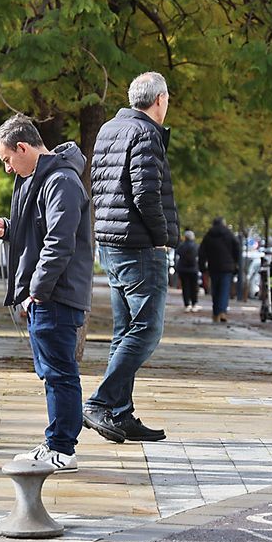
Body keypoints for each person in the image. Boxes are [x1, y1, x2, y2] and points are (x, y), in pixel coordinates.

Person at [0, 114, 91, 474]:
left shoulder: (60, 180)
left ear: (23, 147)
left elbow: (59, 244)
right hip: (51, 294)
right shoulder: (44, 179)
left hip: (55, 296)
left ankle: (62, 448)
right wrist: (9, 229)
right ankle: (57, 442)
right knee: (54, 372)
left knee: (59, 373)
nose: (7, 168)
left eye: (7, 159)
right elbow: (42, 231)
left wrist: (37, 292)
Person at [86, 70, 178, 444]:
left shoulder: (109, 128)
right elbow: (145, 194)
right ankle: (99, 402)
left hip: (111, 243)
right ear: (159, 100)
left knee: (125, 331)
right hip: (139, 246)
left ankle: (120, 413)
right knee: (148, 330)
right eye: (168, 98)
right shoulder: (145, 132)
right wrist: (162, 238)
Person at [198, 217, 241, 323]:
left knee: (215, 290)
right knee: (224, 290)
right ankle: (222, 311)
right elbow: (237, 249)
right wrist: (236, 262)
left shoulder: (208, 235)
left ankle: (216, 312)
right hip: (227, 267)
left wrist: (202, 267)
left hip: (213, 267)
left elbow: (202, 252)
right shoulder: (229, 234)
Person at [175, 230, 201, 312]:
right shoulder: (196, 246)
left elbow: (177, 254)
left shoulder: (181, 246)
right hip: (193, 269)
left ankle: (187, 304)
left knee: (185, 287)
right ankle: (194, 303)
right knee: (194, 287)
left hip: (183, 269)